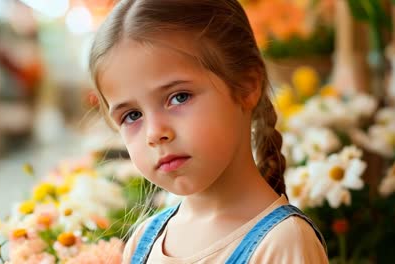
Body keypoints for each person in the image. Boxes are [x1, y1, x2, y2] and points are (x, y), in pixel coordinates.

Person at [89, 0, 328, 263]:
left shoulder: (283, 244)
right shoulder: (144, 241)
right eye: (132, 115)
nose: (154, 133)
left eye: (179, 97)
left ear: (247, 86)